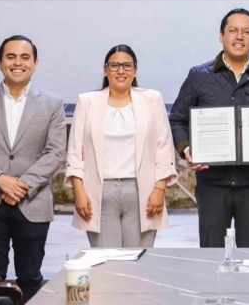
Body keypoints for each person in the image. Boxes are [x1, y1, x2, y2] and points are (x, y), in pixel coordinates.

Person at [169, 8, 249, 248]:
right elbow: (177, 119)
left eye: (246, 31)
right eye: (233, 30)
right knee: (212, 255)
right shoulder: (199, 76)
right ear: (221, 36)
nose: (239, 36)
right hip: (212, 183)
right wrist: (186, 149)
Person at [0, 35, 66, 304]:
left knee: (30, 276)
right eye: (10, 57)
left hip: (32, 202)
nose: (17, 63)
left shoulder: (52, 103)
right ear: (0, 63)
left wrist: (21, 185)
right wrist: (0, 180)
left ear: (35, 63)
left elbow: (55, 153)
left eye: (24, 57)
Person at [66, 44, 178, 247]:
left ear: (135, 70)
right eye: (115, 65)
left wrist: (159, 190)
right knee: (107, 263)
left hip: (142, 192)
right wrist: (79, 192)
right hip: (98, 194)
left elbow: (164, 147)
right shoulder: (87, 101)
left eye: (127, 65)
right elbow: (75, 151)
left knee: (137, 262)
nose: (121, 71)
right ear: (105, 69)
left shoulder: (152, 99)